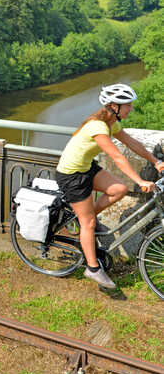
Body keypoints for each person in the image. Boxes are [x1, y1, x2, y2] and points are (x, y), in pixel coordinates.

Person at [55, 83, 164, 289]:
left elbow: (133, 144)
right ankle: (93, 268)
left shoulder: (111, 123)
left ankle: (84, 219)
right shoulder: (98, 126)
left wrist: (155, 161)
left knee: (119, 189)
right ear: (114, 106)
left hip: (87, 168)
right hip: (71, 175)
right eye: (127, 105)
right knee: (88, 224)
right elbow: (117, 157)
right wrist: (140, 181)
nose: (130, 108)